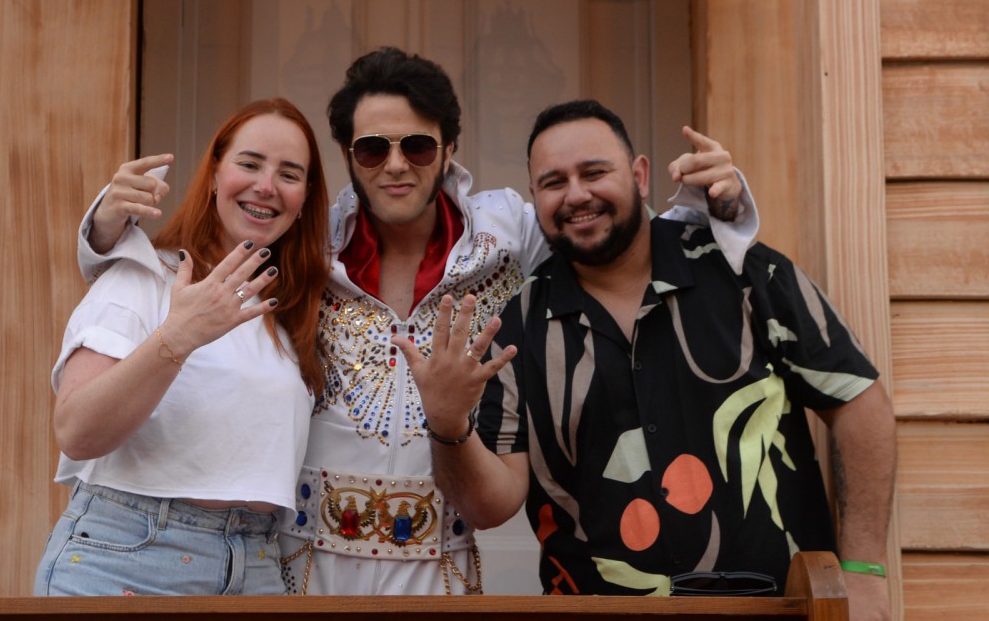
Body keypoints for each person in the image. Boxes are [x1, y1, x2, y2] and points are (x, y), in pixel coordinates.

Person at [77, 48, 758, 595]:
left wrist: (718, 205)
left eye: (418, 147)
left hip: (441, 566)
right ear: (348, 155)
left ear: (449, 147)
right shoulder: (309, 246)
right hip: (302, 566)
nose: (396, 164)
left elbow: (617, 242)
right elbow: (189, 261)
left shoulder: (507, 233)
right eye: (373, 149)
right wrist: (104, 230)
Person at [402, 99, 894, 619]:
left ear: (639, 176)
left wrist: (863, 571)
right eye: (553, 182)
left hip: (780, 607)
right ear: (534, 197)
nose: (576, 195)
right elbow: (490, 504)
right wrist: (448, 424)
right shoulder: (517, 326)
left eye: (594, 172)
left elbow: (858, 403)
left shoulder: (745, 274)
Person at [33, 98, 330, 596]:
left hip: (255, 563)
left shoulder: (291, 310)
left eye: (289, 174)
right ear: (214, 175)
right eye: (249, 163)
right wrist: (178, 337)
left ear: (304, 200)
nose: (266, 186)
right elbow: (76, 431)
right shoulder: (145, 276)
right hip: (128, 559)